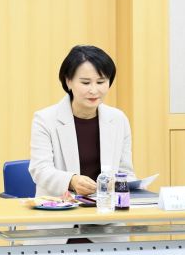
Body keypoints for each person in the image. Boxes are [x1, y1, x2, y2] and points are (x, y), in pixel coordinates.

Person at [30, 44, 135, 197]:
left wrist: (124, 184)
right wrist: (71, 180)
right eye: (85, 83)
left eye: (101, 82)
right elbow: (40, 170)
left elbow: (125, 172)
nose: (94, 90)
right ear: (68, 81)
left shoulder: (119, 119)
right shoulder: (45, 119)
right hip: (61, 207)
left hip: (106, 208)